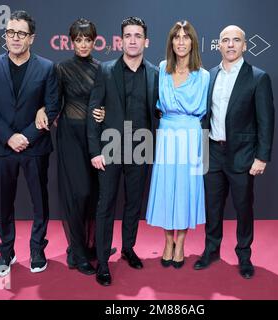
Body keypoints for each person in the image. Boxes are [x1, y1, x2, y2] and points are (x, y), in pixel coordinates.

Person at [0, 10, 59, 277]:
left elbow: (52, 105)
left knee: (40, 201)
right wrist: (8, 136)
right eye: (10, 32)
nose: (14, 38)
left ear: (31, 38)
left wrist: (26, 136)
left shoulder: (47, 67)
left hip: (35, 146)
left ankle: (38, 249)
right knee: (4, 202)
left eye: (21, 33)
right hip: (2, 147)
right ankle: (6, 252)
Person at [193, 25, 275, 279]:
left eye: (235, 40)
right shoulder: (210, 75)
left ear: (245, 45)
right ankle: (211, 249)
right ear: (218, 45)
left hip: (242, 155)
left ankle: (244, 255)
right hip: (213, 153)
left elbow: (266, 120)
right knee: (212, 206)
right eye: (225, 40)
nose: (230, 45)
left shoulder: (258, 77)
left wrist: (261, 157)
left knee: (243, 208)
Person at [34, 18, 112, 276]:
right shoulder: (62, 68)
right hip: (69, 136)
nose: (83, 44)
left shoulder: (102, 69)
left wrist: (104, 114)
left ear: (94, 41)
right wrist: (44, 109)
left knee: (93, 195)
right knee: (77, 194)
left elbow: (107, 101)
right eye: (78, 40)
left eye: (87, 39)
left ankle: (90, 247)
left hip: (95, 136)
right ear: (71, 41)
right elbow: (54, 101)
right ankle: (76, 253)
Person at [87, 17, 159, 286]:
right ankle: (103, 262)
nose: (132, 40)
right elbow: (93, 112)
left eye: (137, 35)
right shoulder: (105, 70)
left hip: (141, 146)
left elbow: (159, 110)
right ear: (120, 40)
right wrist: (95, 150)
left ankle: (128, 248)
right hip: (110, 147)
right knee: (106, 205)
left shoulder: (154, 73)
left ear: (145, 41)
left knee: (133, 204)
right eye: (127, 35)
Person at [146, 20, 209, 269]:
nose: (181, 41)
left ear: (193, 42)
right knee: (166, 188)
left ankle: (180, 243)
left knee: (185, 189)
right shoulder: (162, 68)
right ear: (170, 42)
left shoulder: (203, 76)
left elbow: (207, 111)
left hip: (191, 135)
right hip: (167, 132)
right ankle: (167, 241)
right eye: (176, 37)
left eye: (186, 37)